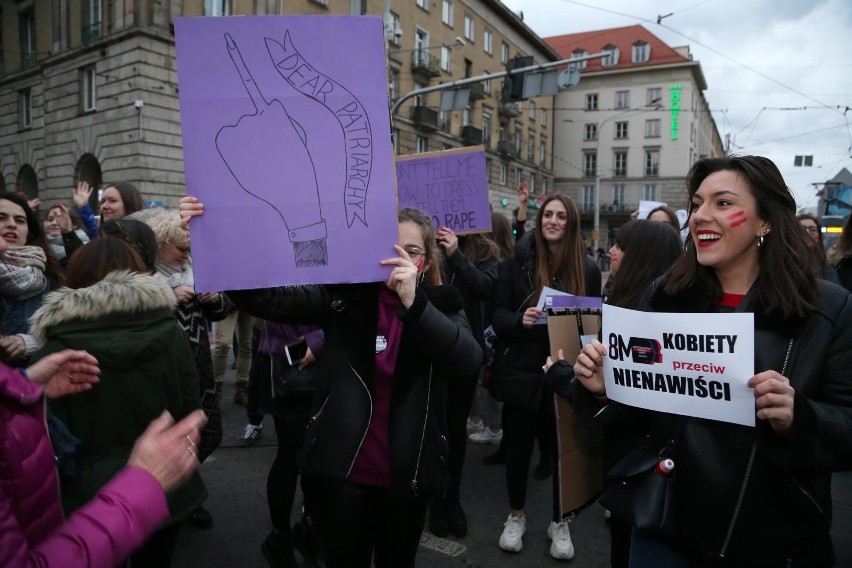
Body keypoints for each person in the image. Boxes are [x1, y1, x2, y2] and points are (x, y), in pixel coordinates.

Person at [574, 155, 852, 567]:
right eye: (698, 203)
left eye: (722, 203)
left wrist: (799, 417)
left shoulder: (827, 309)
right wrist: (606, 388)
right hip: (665, 527)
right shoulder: (665, 295)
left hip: (770, 542)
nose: (701, 215)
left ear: (765, 221)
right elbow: (639, 418)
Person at [181, 197, 481, 567]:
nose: (399, 260)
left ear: (428, 261)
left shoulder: (443, 303)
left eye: (412, 251)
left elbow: (467, 361)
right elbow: (265, 298)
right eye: (391, 250)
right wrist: (211, 237)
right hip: (345, 475)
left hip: (408, 478)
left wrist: (415, 303)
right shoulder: (347, 298)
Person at [29, 238, 208, 567]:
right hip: (163, 480)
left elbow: (40, 437)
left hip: (86, 494)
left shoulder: (55, 347)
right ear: (138, 274)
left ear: (75, 277)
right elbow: (190, 406)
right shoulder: (170, 330)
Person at [543, 219, 682, 568]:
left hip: (636, 465)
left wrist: (559, 374)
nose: (614, 252)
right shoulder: (641, 305)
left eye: (622, 246)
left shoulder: (637, 320)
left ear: (642, 257)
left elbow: (619, 397)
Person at [0, 347, 208, 568]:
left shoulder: (55, 345)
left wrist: (24, 382)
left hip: (79, 506)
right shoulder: (173, 332)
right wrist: (141, 487)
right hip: (111, 513)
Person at [491, 194, 601, 559]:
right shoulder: (515, 262)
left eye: (561, 216)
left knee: (561, 451)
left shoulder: (587, 268)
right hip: (522, 370)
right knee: (519, 449)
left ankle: (560, 521)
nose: (552, 221)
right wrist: (517, 321)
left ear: (571, 223)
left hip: (566, 373)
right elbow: (497, 314)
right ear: (539, 221)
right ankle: (516, 515)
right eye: (547, 215)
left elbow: (594, 324)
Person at [131, 207, 228, 529]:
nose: (186, 256)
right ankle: (168, 501)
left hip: (198, 368)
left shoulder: (196, 269)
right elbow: (134, 317)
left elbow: (222, 310)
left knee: (201, 433)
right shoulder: (144, 278)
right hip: (162, 374)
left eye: (189, 249)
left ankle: (186, 492)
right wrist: (168, 297)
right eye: (180, 249)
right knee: (167, 437)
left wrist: (215, 299)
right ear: (160, 244)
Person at [430, 224, 500, 539]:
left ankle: (452, 498)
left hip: (465, 351)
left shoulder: (485, 252)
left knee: (455, 428)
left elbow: (485, 288)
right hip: (427, 347)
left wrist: (455, 254)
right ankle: (434, 498)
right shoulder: (420, 241)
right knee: (432, 425)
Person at [252, 320, 325, 568]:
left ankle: (309, 529)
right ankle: (279, 538)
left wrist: (323, 336)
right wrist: (318, 336)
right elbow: (274, 306)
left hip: (324, 359)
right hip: (289, 364)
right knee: (292, 455)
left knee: (316, 453)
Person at [0, 192, 64, 365]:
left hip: (30, 383)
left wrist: (28, 343)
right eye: (1, 217)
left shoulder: (48, 275)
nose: (11, 224)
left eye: (20, 220)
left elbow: (61, 334)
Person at [212, 307, 254, 406]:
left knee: (247, 345)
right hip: (228, 298)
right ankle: (216, 388)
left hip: (249, 298)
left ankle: (241, 389)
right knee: (223, 343)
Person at [798, 214, 840, 284]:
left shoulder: (826, 268)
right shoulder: (783, 262)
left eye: (813, 229)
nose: (807, 233)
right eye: (802, 229)